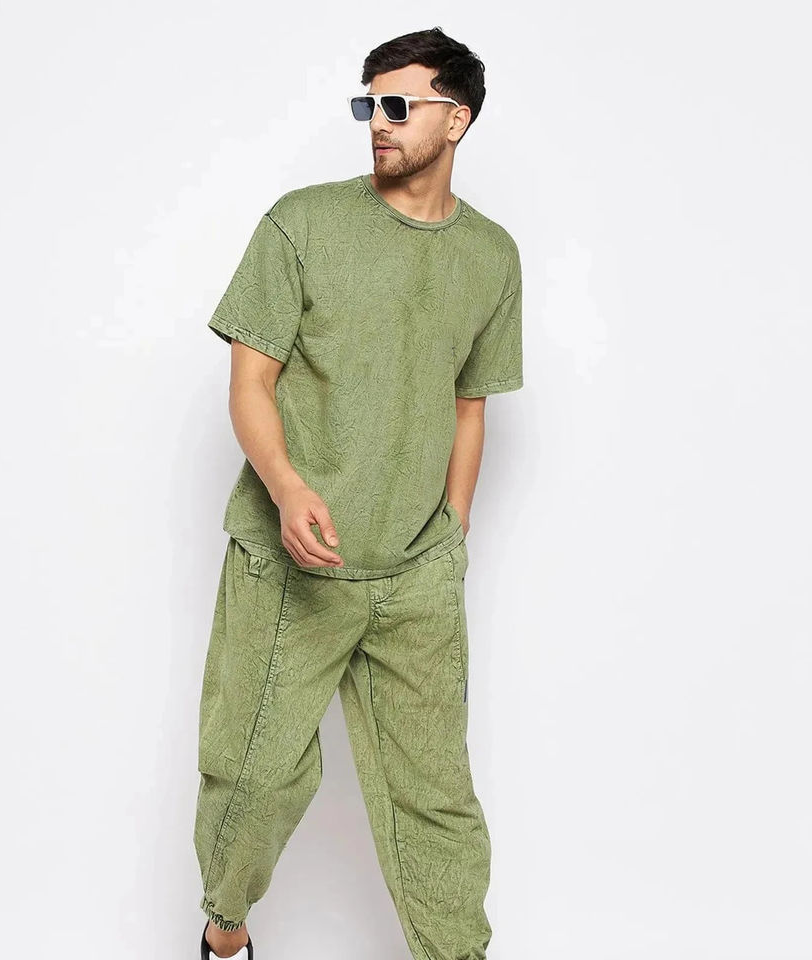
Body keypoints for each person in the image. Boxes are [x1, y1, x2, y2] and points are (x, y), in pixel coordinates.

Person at [194, 25, 522, 960]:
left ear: (456, 119)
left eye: (398, 105)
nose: (377, 122)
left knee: (436, 801)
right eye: (368, 104)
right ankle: (224, 933)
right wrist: (287, 485)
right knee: (255, 779)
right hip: (293, 561)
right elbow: (249, 383)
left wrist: (453, 529)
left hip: (416, 574)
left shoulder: (492, 255)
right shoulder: (302, 223)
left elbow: (469, 402)